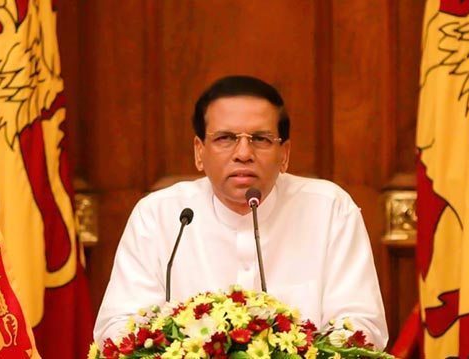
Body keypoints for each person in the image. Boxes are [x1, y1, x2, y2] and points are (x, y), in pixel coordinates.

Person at [93, 75, 389, 349]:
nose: (243, 153)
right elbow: (117, 327)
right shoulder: (159, 216)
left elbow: (363, 328)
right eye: (225, 138)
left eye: (260, 139)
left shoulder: (330, 210)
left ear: (284, 154)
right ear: (199, 151)